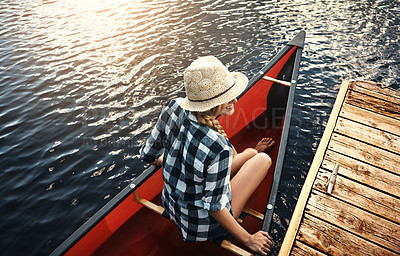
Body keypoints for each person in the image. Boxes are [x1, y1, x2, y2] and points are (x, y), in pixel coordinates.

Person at [140, 56, 274, 255]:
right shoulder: (217, 147)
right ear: (213, 103)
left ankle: (251, 152)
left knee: (250, 153)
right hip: (202, 226)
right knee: (263, 160)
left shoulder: (173, 106)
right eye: (228, 96)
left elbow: (147, 155)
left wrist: (168, 162)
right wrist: (248, 239)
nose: (235, 100)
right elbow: (214, 207)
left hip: (170, 204)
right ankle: (254, 154)